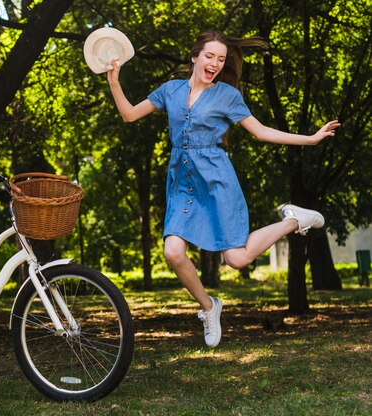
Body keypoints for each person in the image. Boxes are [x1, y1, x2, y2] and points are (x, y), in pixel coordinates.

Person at [106, 30, 340, 348]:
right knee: (173, 252)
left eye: (221, 59)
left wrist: (310, 139)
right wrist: (114, 81)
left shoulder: (227, 97)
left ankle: (294, 220)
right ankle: (209, 307)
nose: (215, 63)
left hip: (217, 182)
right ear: (195, 57)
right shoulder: (170, 91)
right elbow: (129, 114)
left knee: (236, 259)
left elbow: (261, 132)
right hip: (183, 183)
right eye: (209, 56)